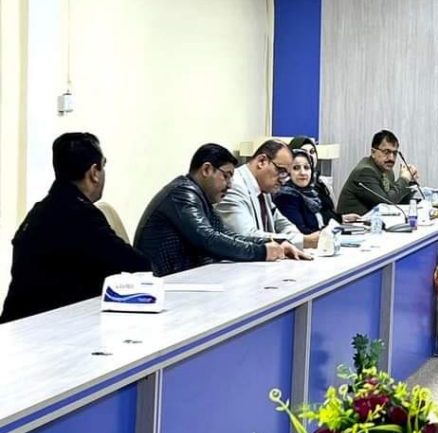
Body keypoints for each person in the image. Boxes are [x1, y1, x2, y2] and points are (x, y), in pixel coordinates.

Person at [2, 132, 150, 323]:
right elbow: (138, 265)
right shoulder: (81, 215)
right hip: (49, 329)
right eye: (103, 165)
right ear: (94, 172)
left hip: (17, 325)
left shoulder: (39, 212)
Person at [135, 143, 307, 276]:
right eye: (226, 176)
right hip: (163, 284)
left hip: (184, 279)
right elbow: (210, 239)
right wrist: (262, 251)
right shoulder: (183, 194)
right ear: (206, 169)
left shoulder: (200, 197)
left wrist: (273, 243)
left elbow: (225, 235)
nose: (230, 185)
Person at [215, 139, 318, 250]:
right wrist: (305, 241)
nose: (283, 180)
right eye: (281, 170)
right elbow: (246, 236)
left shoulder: (264, 188)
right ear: (262, 161)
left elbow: (280, 222)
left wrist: (298, 237)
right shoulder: (234, 186)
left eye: (287, 174)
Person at [275, 148, 360, 234]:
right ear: (287, 172)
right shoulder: (286, 197)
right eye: (296, 168)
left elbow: (325, 217)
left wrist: (342, 218)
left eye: (306, 167)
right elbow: (300, 232)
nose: (303, 173)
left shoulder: (313, 192)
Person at [337, 129, 418, 216]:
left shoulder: (387, 170)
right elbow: (386, 203)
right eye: (386, 152)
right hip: (353, 222)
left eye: (394, 153)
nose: (391, 158)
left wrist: (410, 182)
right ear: (373, 152)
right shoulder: (365, 172)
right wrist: (404, 179)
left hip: (375, 220)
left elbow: (397, 202)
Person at [289, 135, 338, 224]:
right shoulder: (288, 192)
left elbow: (330, 211)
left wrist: (342, 218)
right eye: (304, 152)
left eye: (312, 152)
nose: (309, 156)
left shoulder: (322, 182)